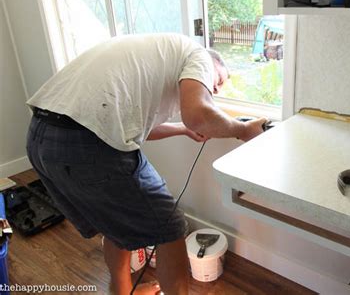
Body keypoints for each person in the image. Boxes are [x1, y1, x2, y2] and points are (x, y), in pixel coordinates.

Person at [25, 33, 267, 295]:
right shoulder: (197, 54)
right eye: (219, 80)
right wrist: (241, 130)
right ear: (211, 64)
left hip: (41, 138)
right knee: (171, 229)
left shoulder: (158, 54)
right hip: (87, 142)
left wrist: (182, 130)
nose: (216, 90)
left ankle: (121, 291)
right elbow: (198, 114)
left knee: (113, 223)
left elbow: (136, 127)